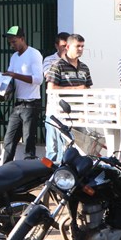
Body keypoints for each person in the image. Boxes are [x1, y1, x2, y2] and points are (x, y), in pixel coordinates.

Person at [46, 34, 92, 161]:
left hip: (79, 115)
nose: (81, 49)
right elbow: (51, 89)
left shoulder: (84, 67)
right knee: (59, 153)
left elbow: (87, 89)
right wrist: (76, 89)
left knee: (81, 149)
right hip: (60, 115)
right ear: (67, 47)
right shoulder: (57, 65)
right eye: (77, 46)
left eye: (82, 46)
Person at [1, 26, 44, 163]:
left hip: (31, 104)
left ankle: (28, 171)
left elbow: (38, 79)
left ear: (22, 39)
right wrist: (1, 90)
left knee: (28, 141)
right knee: (9, 140)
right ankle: (5, 169)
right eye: (10, 42)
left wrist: (14, 75)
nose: (12, 45)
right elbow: (9, 80)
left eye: (14, 41)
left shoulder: (34, 54)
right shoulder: (14, 57)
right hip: (18, 104)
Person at [42, 32, 70, 161]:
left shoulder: (75, 62)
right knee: (52, 148)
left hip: (68, 111)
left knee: (65, 147)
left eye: (68, 46)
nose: (66, 49)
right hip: (53, 109)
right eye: (63, 45)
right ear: (56, 46)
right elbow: (50, 77)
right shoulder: (49, 60)